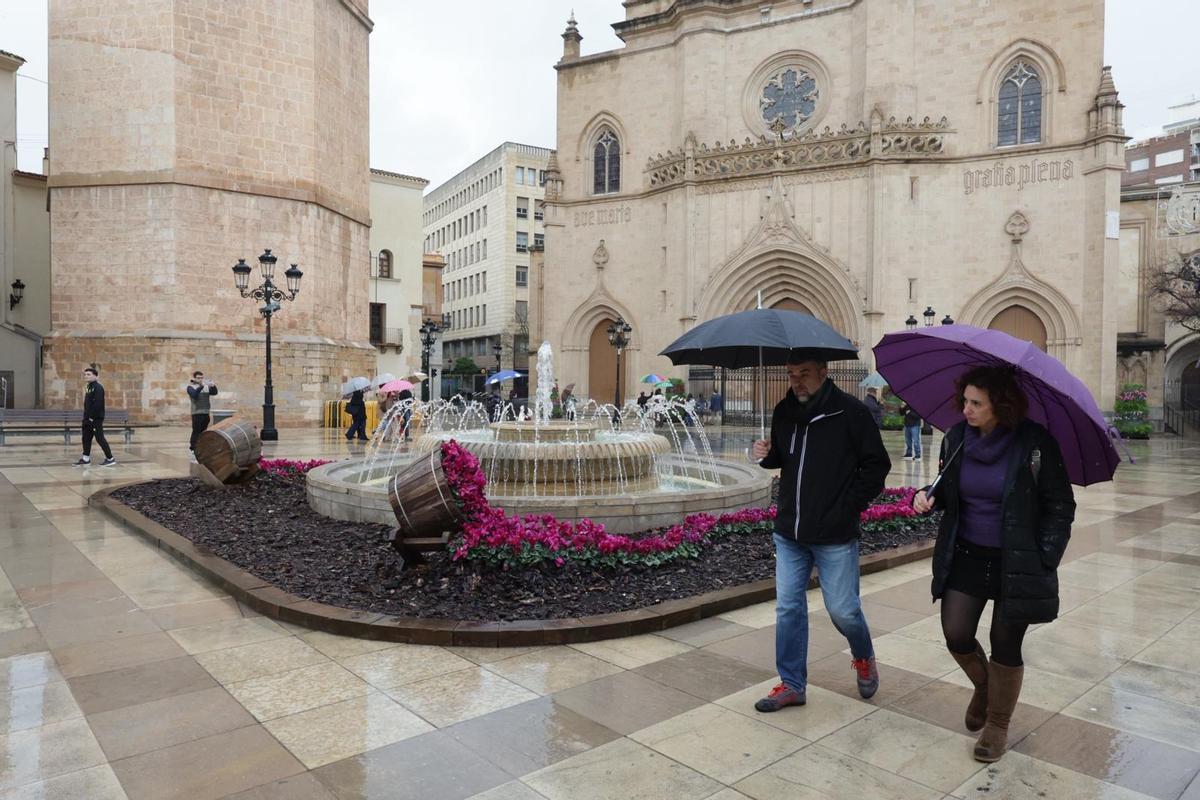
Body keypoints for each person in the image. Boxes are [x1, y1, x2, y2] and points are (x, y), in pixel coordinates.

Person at [912, 365, 1075, 762]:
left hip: (1015, 561)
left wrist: (1045, 556)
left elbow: (1060, 505)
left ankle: (997, 726)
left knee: (1005, 643)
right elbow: (949, 492)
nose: (966, 409)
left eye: (976, 403)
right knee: (956, 633)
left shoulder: (1034, 444)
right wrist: (926, 495)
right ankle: (985, 688)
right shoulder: (956, 440)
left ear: (1000, 404)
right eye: (964, 401)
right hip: (967, 552)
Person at [751, 351, 891, 713]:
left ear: (824, 372)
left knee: (843, 611)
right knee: (788, 609)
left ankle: (863, 655)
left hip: (834, 535)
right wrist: (766, 454)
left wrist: (846, 507)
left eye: (805, 373)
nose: (797, 380)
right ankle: (793, 684)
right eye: (792, 373)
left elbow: (877, 466)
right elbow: (784, 457)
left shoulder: (851, 413)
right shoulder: (784, 412)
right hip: (790, 531)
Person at [74, 365, 115, 467]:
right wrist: (86, 418)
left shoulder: (98, 388)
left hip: (95, 419)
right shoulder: (89, 387)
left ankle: (110, 458)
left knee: (100, 438)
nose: (86, 376)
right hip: (87, 419)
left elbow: (98, 404)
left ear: (95, 376)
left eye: (89, 374)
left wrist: (92, 418)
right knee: (86, 438)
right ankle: (85, 458)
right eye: (85, 374)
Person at [187, 370, 218, 453]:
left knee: (204, 431)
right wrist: (201, 386)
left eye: (201, 378)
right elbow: (194, 395)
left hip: (205, 412)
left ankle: (201, 447)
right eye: (198, 378)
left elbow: (215, 393)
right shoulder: (190, 387)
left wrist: (213, 386)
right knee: (196, 431)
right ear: (194, 378)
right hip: (196, 413)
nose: (200, 379)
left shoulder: (206, 387)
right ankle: (193, 447)